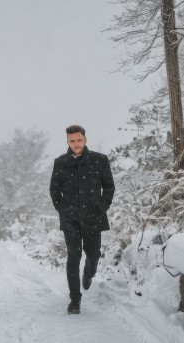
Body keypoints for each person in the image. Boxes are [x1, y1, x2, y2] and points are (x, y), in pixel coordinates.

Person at [49, 125, 115, 314]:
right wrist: (61, 208)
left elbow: (109, 187)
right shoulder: (60, 162)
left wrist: (102, 208)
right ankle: (75, 300)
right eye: (72, 141)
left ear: (85, 140)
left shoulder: (99, 160)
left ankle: (89, 273)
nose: (75, 144)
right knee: (73, 256)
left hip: (94, 216)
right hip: (70, 219)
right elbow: (54, 189)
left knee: (93, 255)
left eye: (78, 140)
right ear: (67, 142)